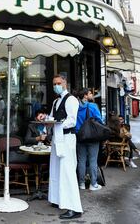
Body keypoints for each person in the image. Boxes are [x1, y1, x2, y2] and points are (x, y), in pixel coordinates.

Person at [45, 74, 82, 219]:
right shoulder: (55, 102)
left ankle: (74, 208)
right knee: (55, 169)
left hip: (67, 138)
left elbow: (72, 121)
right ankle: (57, 199)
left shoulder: (71, 99)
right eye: (54, 83)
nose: (56, 86)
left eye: (58, 83)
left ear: (65, 83)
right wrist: (46, 120)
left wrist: (56, 123)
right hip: (57, 138)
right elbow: (51, 118)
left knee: (67, 172)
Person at [75, 88, 104, 191]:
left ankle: (81, 183)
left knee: (81, 160)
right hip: (92, 137)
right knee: (92, 160)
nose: (92, 94)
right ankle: (93, 184)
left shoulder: (75, 107)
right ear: (85, 96)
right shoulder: (93, 106)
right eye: (90, 93)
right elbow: (100, 120)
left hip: (80, 137)